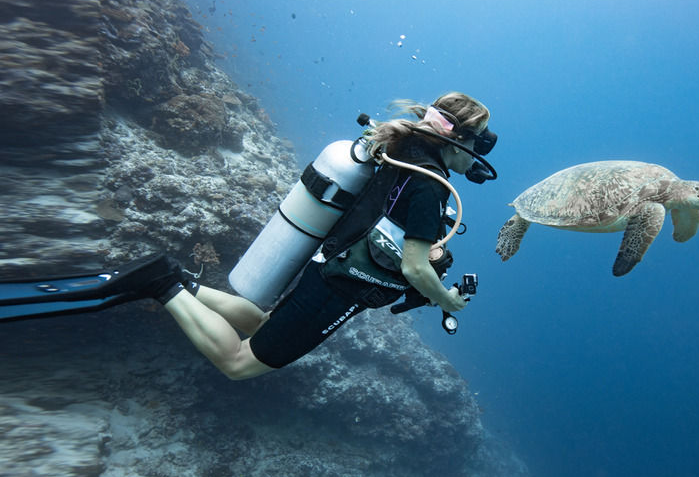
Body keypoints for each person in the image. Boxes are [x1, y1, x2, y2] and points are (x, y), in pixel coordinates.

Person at [0, 92, 497, 380]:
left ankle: (179, 281)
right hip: (338, 288)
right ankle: (162, 283)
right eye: (477, 142)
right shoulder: (433, 187)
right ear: (459, 139)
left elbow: (379, 216)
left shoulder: (401, 149)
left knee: (259, 324)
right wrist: (447, 300)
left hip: (326, 266)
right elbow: (412, 267)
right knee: (240, 364)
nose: (477, 153)